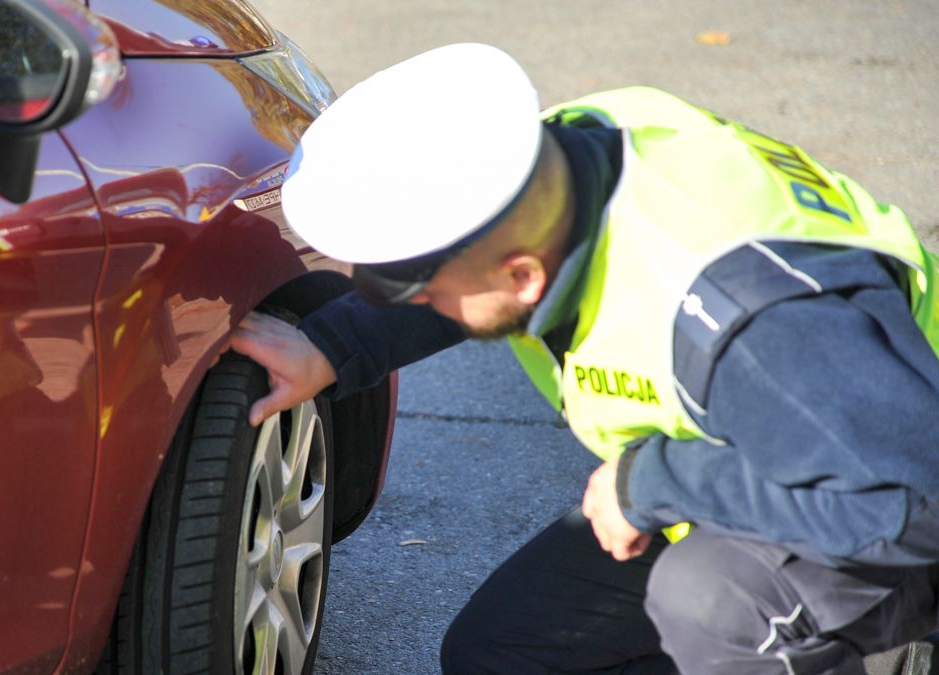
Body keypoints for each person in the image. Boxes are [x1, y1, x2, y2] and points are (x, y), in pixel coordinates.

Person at [230, 43, 939, 674]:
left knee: (707, 603)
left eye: (427, 293)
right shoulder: (566, 155)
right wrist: (332, 345)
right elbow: (470, 252)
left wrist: (651, 481)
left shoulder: (739, 315)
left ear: (522, 279)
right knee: (502, 651)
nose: (415, 305)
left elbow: (914, 501)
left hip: (890, 502)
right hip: (785, 450)